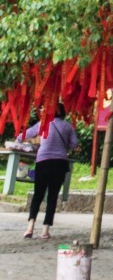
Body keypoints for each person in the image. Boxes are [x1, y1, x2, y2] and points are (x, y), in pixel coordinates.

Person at [21, 102, 77, 241]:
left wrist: (32, 142)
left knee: (38, 195)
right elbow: (74, 144)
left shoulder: (42, 124)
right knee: (52, 197)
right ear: (63, 113)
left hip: (43, 162)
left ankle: (30, 227)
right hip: (59, 164)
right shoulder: (68, 126)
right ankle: (45, 230)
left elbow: (22, 136)